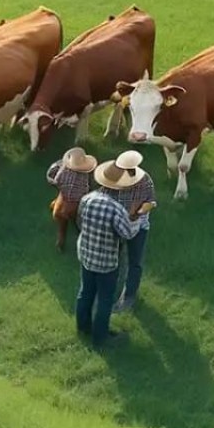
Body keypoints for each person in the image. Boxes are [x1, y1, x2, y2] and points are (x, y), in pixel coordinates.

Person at [75, 158, 143, 348]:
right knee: (105, 299)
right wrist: (135, 218)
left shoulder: (87, 199)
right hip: (106, 263)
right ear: (120, 187)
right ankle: (100, 336)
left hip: (86, 255)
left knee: (85, 292)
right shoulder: (116, 209)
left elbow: (79, 222)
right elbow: (127, 233)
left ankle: (83, 327)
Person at [105, 150, 155, 313]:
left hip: (139, 226)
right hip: (117, 225)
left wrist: (139, 211)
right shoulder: (113, 178)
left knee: (135, 262)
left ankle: (128, 297)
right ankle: (110, 292)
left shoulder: (145, 179)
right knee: (114, 259)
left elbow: (151, 201)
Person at [45, 147, 97, 251]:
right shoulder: (85, 176)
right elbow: (87, 191)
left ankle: (60, 242)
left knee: (62, 226)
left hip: (62, 203)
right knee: (80, 223)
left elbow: (56, 181)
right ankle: (83, 240)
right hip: (76, 206)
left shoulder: (63, 170)